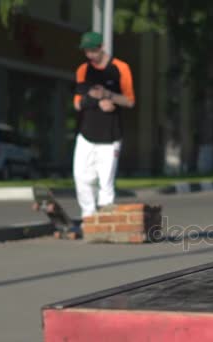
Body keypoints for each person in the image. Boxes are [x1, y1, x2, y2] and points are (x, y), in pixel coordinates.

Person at [72, 32, 135, 219]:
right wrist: (96, 101)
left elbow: (130, 101)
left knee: (105, 182)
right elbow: (77, 103)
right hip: (86, 135)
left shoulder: (120, 68)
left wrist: (109, 95)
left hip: (110, 137)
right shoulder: (83, 70)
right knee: (81, 178)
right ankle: (89, 218)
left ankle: (106, 222)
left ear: (101, 47)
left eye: (92, 51)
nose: (89, 55)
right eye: (86, 51)